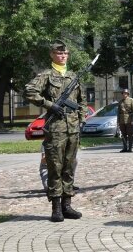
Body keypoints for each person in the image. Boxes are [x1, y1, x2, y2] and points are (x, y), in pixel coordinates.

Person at [24, 39, 86, 223]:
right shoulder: (46, 75)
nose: (63, 56)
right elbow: (29, 91)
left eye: (65, 53)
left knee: (69, 166)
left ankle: (67, 205)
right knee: (55, 167)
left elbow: (82, 101)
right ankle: (56, 208)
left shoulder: (73, 76)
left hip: (73, 128)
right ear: (52, 55)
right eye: (59, 53)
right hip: (56, 128)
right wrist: (50, 105)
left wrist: (80, 118)